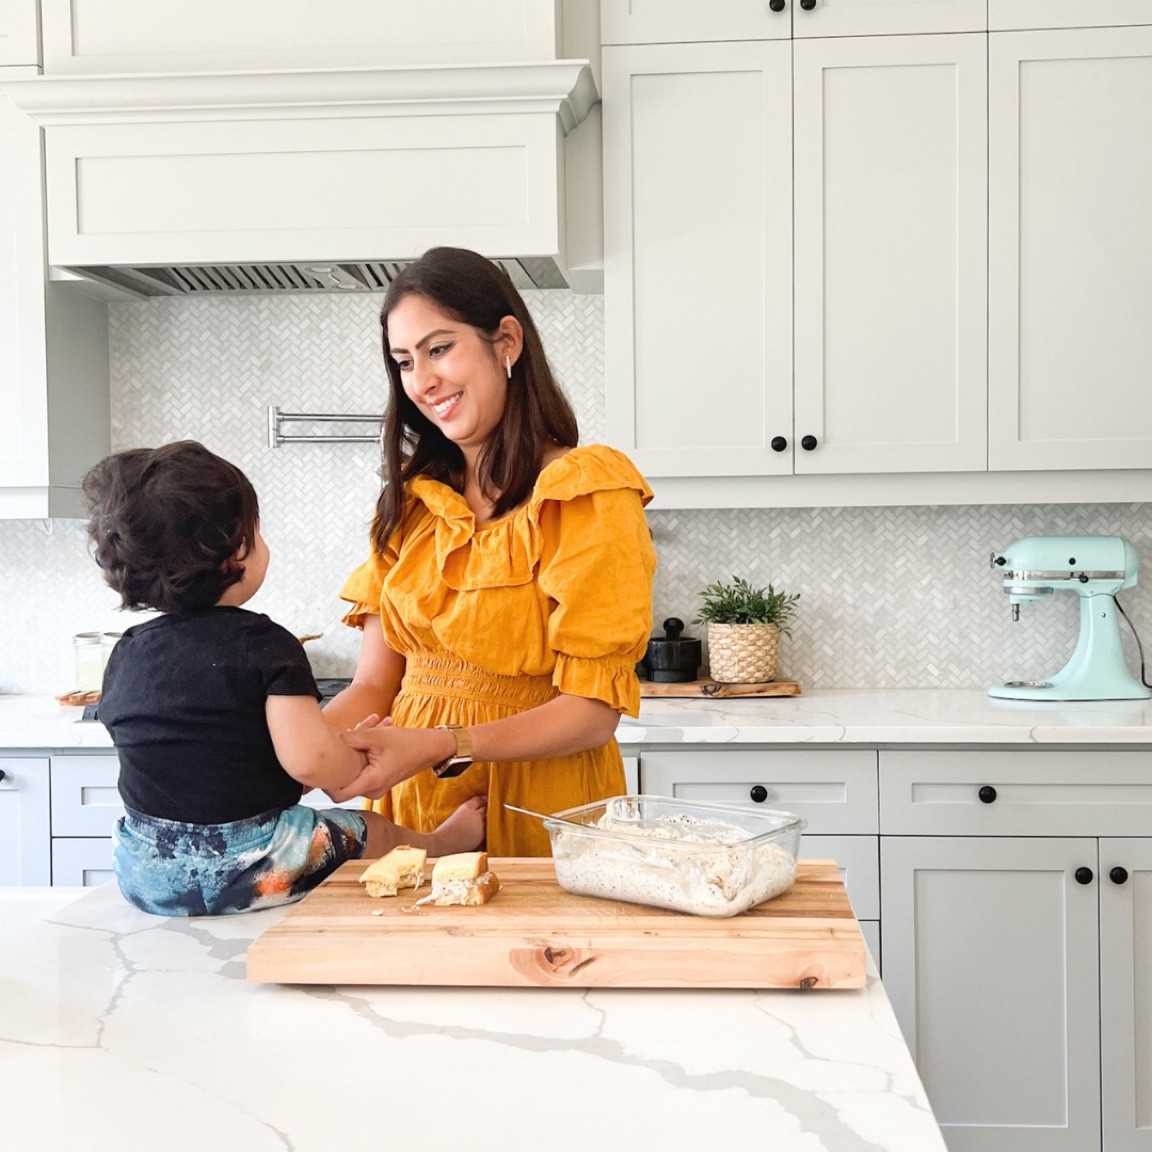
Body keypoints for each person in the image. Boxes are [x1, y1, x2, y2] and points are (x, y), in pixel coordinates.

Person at [323, 246, 657, 856]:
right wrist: (290, 754)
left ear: (506, 341)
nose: (421, 381)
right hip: (414, 805)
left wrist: (443, 742)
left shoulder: (583, 490)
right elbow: (373, 684)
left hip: (542, 808)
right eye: (404, 361)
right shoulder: (412, 505)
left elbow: (591, 713)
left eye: (439, 349)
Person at [82, 440, 485, 917]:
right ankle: (443, 843)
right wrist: (357, 768)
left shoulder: (127, 651)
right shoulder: (265, 644)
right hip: (252, 865)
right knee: (373, 830)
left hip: (147, 871)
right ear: (237, 549)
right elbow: (310, 761)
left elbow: (173, 749)